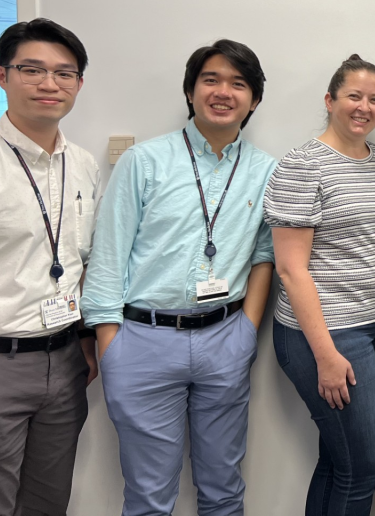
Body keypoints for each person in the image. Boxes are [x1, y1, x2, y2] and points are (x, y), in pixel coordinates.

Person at [81, 39, 276, 516]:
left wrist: (247, 330)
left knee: (224, 489)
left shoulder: (266, 170)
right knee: (149, 497)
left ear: (253, 99)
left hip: (225, 339)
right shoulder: (143, 162)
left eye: (238, 83)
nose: (223, 91)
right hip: (143, 341)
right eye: (211, 80)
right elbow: (108, 255)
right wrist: (112, 344)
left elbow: (263, 256)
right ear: (190, 92)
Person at [264, 54, 375, 516]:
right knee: (361, 469)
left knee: (338, 459)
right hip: (323, 336)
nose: (364, 107)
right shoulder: (302, 165)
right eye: (353, 96)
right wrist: (325, 354)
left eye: (374, 99)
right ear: (330, 100)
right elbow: (290, 269)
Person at [0, 19, 100, 516]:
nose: (49, 84)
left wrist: (86, 339)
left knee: (48, 500)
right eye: (31, 69)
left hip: (66, 359)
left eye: (64, 72)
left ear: (78, 83)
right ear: (2, 76)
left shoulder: (85, 164)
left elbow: (82, 261)